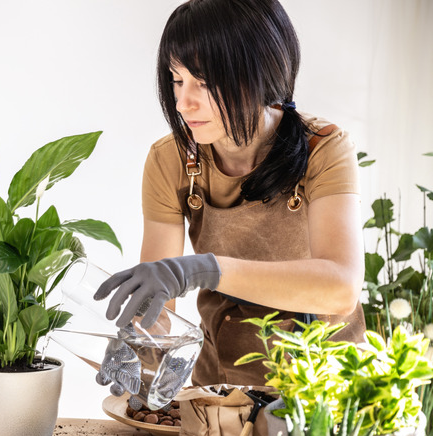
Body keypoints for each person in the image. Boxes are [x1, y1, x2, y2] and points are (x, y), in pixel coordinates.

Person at [94, 0, 367, 391]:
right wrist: (140, 344)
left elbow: (341, 288)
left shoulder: (324, 149)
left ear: (261, 73)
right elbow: (159, 308)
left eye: (205, 82)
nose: (183, 102)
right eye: (177, 79)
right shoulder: (170, 160)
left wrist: (202, 269)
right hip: (220, 391)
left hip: (322, 390)